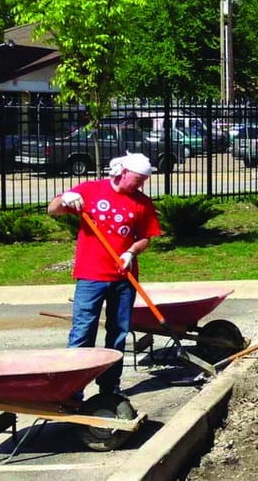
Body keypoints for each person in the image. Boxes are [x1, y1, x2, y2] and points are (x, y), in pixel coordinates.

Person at [47, 152, 161, 397]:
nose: (141, 184)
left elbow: (145, 238)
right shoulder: (90, 190)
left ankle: (110, 388)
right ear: (122, 172)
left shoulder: (142, 203)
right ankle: (73, 390)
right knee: (82, 332)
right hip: (91, 276)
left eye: (144, 180)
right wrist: (65, 197)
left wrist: (131, 252)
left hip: (123, 279)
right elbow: (53, 209)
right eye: (138, 179)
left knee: (118, 333)